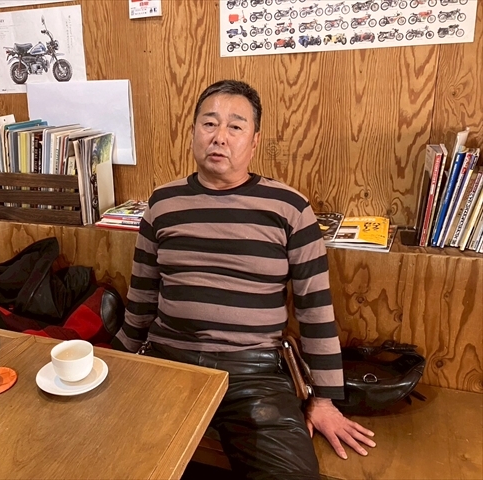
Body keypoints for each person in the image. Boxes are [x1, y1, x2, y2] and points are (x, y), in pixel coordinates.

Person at [111, 80, 375, 479]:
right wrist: (116, 357)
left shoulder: (290, 208)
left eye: (235, 126)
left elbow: (315, 309)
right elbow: (142, 295)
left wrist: (323, 400)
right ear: (193, 133)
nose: (219, 137)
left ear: (254, 141)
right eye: (209, 123)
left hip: (256, 374)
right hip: (169, 362)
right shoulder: (163, 204)